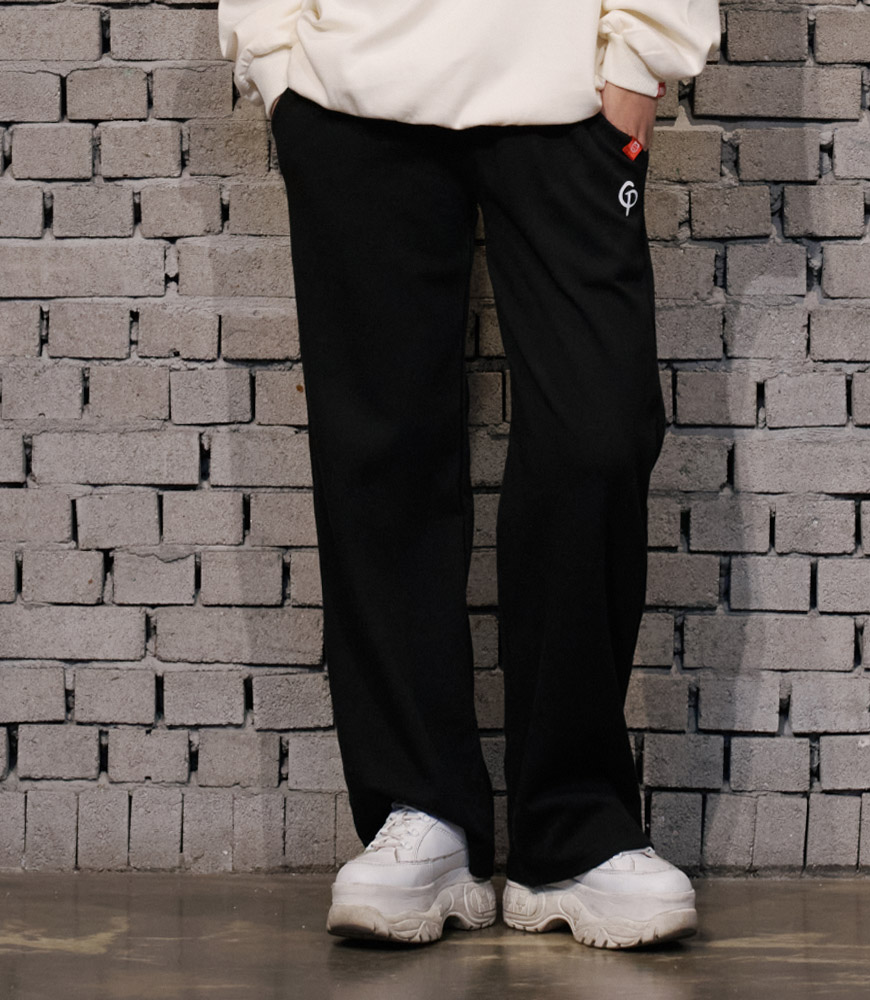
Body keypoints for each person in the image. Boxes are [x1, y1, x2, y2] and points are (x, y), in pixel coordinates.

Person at [217, 0, 720, 950]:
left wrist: (640, 62)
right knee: (379, 452)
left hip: (572, 89)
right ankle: (422, 808)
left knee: (597, 434)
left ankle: (572, 829)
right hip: (348, 86)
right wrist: (274, 56)